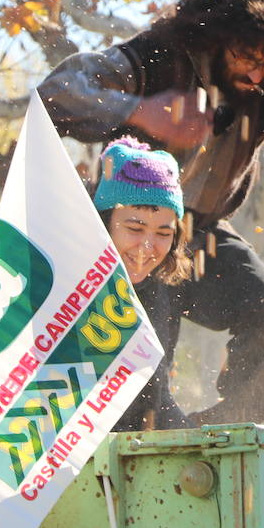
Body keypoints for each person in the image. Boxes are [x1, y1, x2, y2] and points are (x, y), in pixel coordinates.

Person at [39, 0, 264, 425]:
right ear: (218, 37)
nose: (256, 74)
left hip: (200, 231)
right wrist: (141, 111)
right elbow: (55, 93)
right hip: (133, 232)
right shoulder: (159, 53)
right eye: (246, 56)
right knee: (147, 367)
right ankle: (140, 444)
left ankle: (230, 432)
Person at [92, 136, 195, 432]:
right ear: (105, 222)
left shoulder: (156, 292)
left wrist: (203, 447)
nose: (146, 247)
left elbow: (156, 397)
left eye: (163, 234)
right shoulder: (65, 279)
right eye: (135, 228)